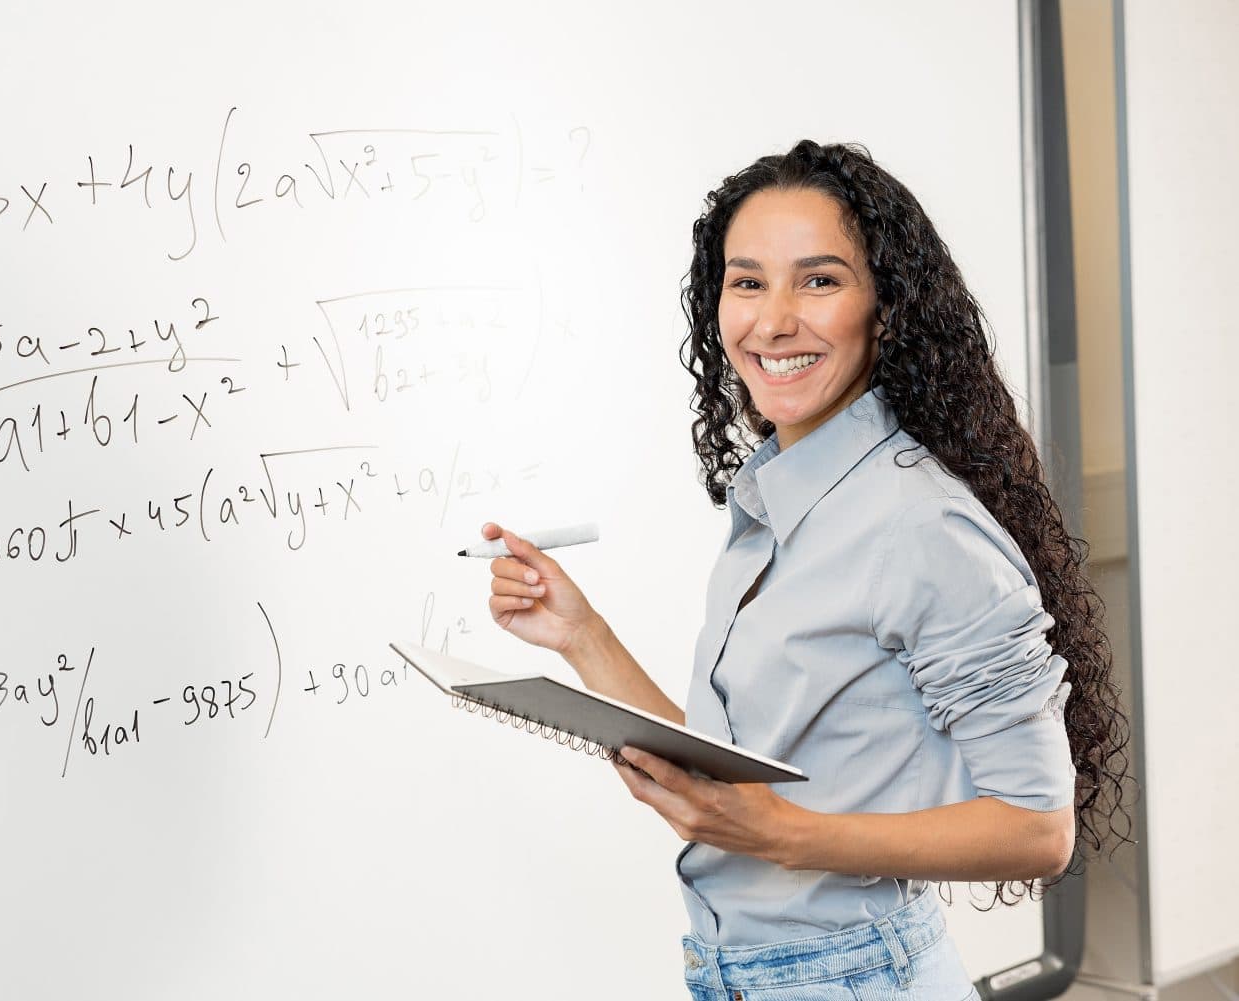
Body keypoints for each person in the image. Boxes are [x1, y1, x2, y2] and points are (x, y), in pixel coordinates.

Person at [479, 140, 1131, 1001]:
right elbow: (728, 781)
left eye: (819, 280)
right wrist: (580, 634)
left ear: (885, 307)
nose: (774, 320)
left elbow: (1036, 828)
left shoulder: (919, 524)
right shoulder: (778, 502)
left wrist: (785, 834)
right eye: (747, 281)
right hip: (741, 977)